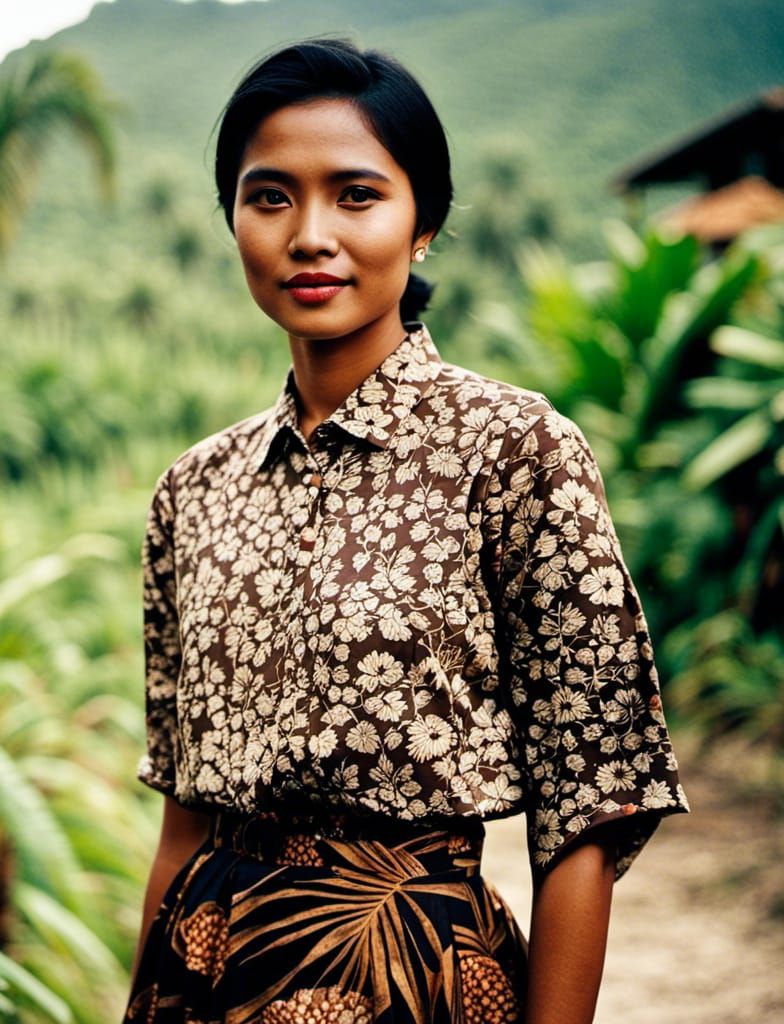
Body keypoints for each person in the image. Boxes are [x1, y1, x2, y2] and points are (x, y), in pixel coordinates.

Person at [122, 37, 689, 1024]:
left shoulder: (513, 451)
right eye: (269, 197)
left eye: (356, 195)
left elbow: (586, 814)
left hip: (409, 973)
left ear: (422, 222)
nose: (310, 235)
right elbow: (182, 822)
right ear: (232, 219)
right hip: (200, 972)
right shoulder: (193, 490)